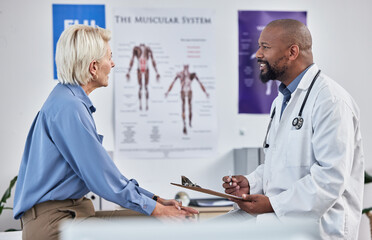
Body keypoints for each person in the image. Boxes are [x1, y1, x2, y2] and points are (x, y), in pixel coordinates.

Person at [13, 25, 197, 240]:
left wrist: (155, 201)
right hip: (55, 223)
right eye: (110, 57)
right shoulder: (68, 107)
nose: (112, 63)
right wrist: (156, 208)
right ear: (93, 67)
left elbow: (106, 173)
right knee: (159, 224)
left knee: (156, 223)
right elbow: (101, 177)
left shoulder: (68, 101)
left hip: (72, 214)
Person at [222, 19, 364, 239]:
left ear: (292, 52)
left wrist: (273, 204)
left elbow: (330, 178)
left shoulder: (331, 101)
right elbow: (281, 164)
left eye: (265, 47)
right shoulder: (282, 100)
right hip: (283, 227)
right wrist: (251, 182)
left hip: (321, 230)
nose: (258, 54)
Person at [165, 64, 209, 134]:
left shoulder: (192, 75)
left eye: (187, 67)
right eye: (185, 67)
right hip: (183, 91)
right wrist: (168, 91)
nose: (186, 69)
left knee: (190, 107)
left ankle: (190, 123)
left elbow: (200, 83)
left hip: (189, 91)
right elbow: (173, 83)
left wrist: (205, 92)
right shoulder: (180, 74)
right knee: (183, 108)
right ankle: (185, 125)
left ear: (188, 68)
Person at [126, 43, 160, 111]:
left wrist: (157, 72)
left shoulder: (148, 49)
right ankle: (140, 105)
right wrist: (128, 71)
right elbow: (132, 60)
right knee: (141, 87)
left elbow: (153, 60)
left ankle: (146, 105)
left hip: (145, 68)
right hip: (140, 68)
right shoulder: (136, 49)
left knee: (145, 87)